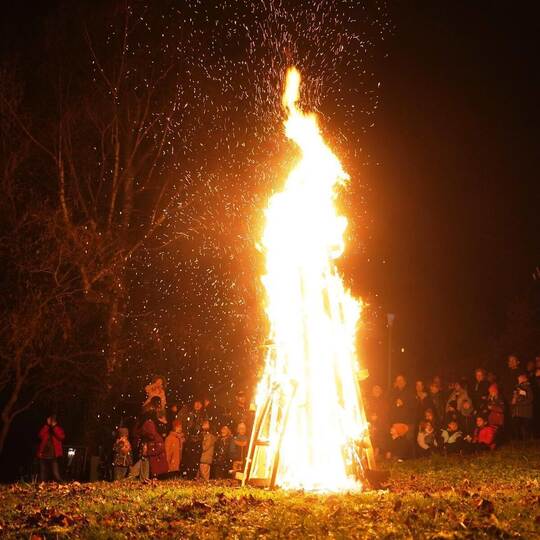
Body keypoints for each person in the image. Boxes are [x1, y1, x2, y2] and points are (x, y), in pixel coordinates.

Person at [140, 396, 168, 478]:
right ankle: (148, 476)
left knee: (151, 460)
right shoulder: (151, 414)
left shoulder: (152, 413)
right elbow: (150, 432)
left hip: (153, 439)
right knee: (149, 460)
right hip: (152, 440)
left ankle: (149, 476)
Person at [181, 399, 206, 479]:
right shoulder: (189, 414)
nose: (197, 405)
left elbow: (204, 427)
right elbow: (187, 427)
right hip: (189, 440)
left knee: (195, 459)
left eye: (199, 403)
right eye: (196, 402)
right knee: (188, 459)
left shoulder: (203, 415)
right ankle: (187, 475)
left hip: (198, 440)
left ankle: (192, 475)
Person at [37, 415, 65, 482]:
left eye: (51, 420)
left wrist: (54, 426)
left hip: (54, 455)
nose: (50, 421)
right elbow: (40, 435)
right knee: (43, 473)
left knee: (55, 473)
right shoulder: (46, 428)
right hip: (43, 455)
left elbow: (61, 437)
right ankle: (41, 485)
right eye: (49, 420)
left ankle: (61, 484)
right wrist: (47, 425)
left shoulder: (58, 428)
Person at [511, 373, 533, 440]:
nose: (519, 379)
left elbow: (530, 399)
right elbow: (515, 397)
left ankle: (527, 441)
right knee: (517, 426)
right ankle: (518, 440)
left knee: (525, 428)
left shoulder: (528, 387)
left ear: (524, 379)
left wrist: (520, 403)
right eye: (518, 378)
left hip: (525, 412)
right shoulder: (517, 387)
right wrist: (514, 400)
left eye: (520, 378)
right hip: (517, 412)